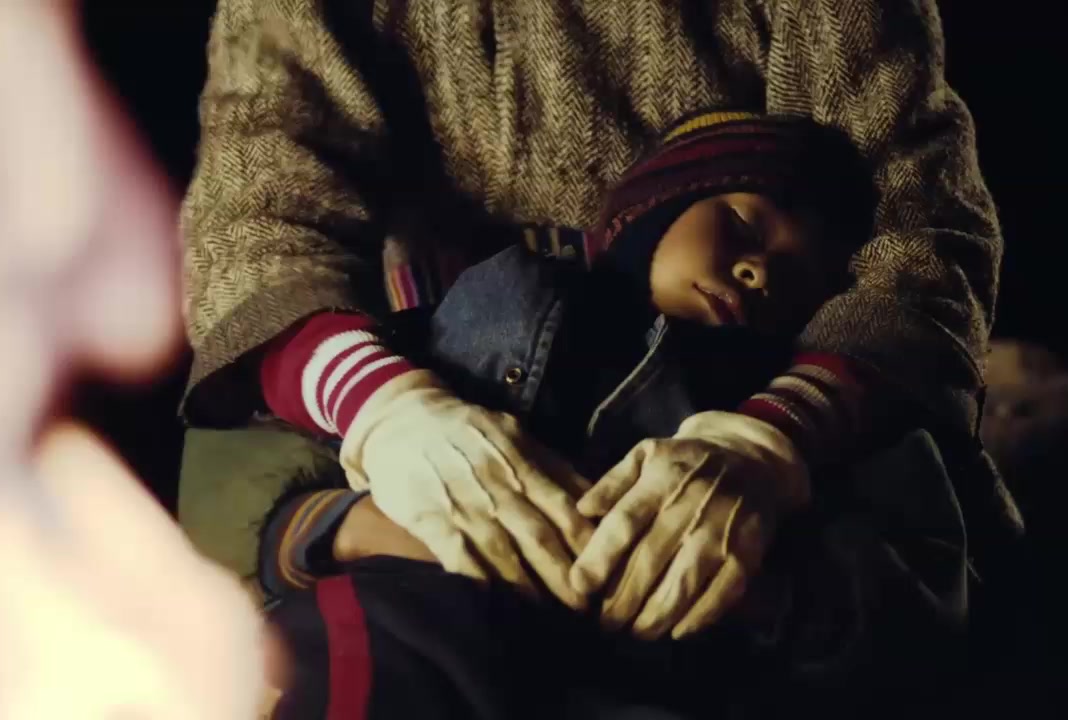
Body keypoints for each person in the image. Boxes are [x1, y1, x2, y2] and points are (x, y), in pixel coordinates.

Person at [177, 0, 1022, 644]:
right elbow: (258, 219)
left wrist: (778, 437)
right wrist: (384, 410)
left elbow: (920, 230)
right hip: (411, 405)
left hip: (757, 428)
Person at [256, 113, 975, 719]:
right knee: (360, 640)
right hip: (423, 621)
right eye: (740, 222)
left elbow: (915, 616)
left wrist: (745, 582)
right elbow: (294, 520)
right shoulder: (489, 300)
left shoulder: (812, 414)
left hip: (656, 675)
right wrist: (354, 522)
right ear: (651, 208)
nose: (759, 270)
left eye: (798, 278)